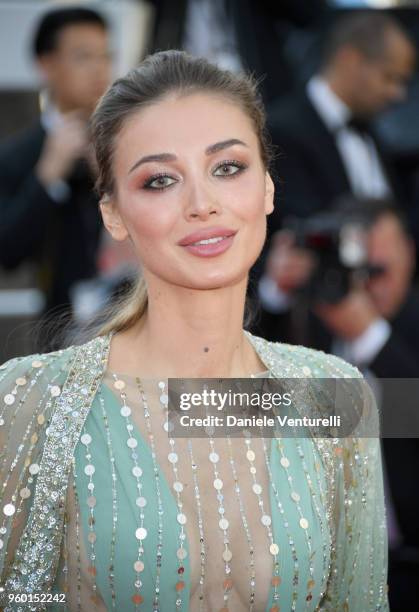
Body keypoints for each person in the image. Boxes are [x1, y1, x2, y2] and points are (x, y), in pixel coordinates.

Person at [0, 51, 388, 611]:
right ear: (113, 213)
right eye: (160, 180)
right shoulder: (30, 401)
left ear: (269, 188)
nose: (202, 204)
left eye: (228, 168)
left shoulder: (332, 393)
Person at [0, 7, 112, 318]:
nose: (99, 69)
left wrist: (110, 177)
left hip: (138, 313)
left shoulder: (128, 141)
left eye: (105, 56)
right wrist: (47, 178)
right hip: (61, 325)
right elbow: (8, 252)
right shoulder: (18, 155)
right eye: (83, 57)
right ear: (46, 64)